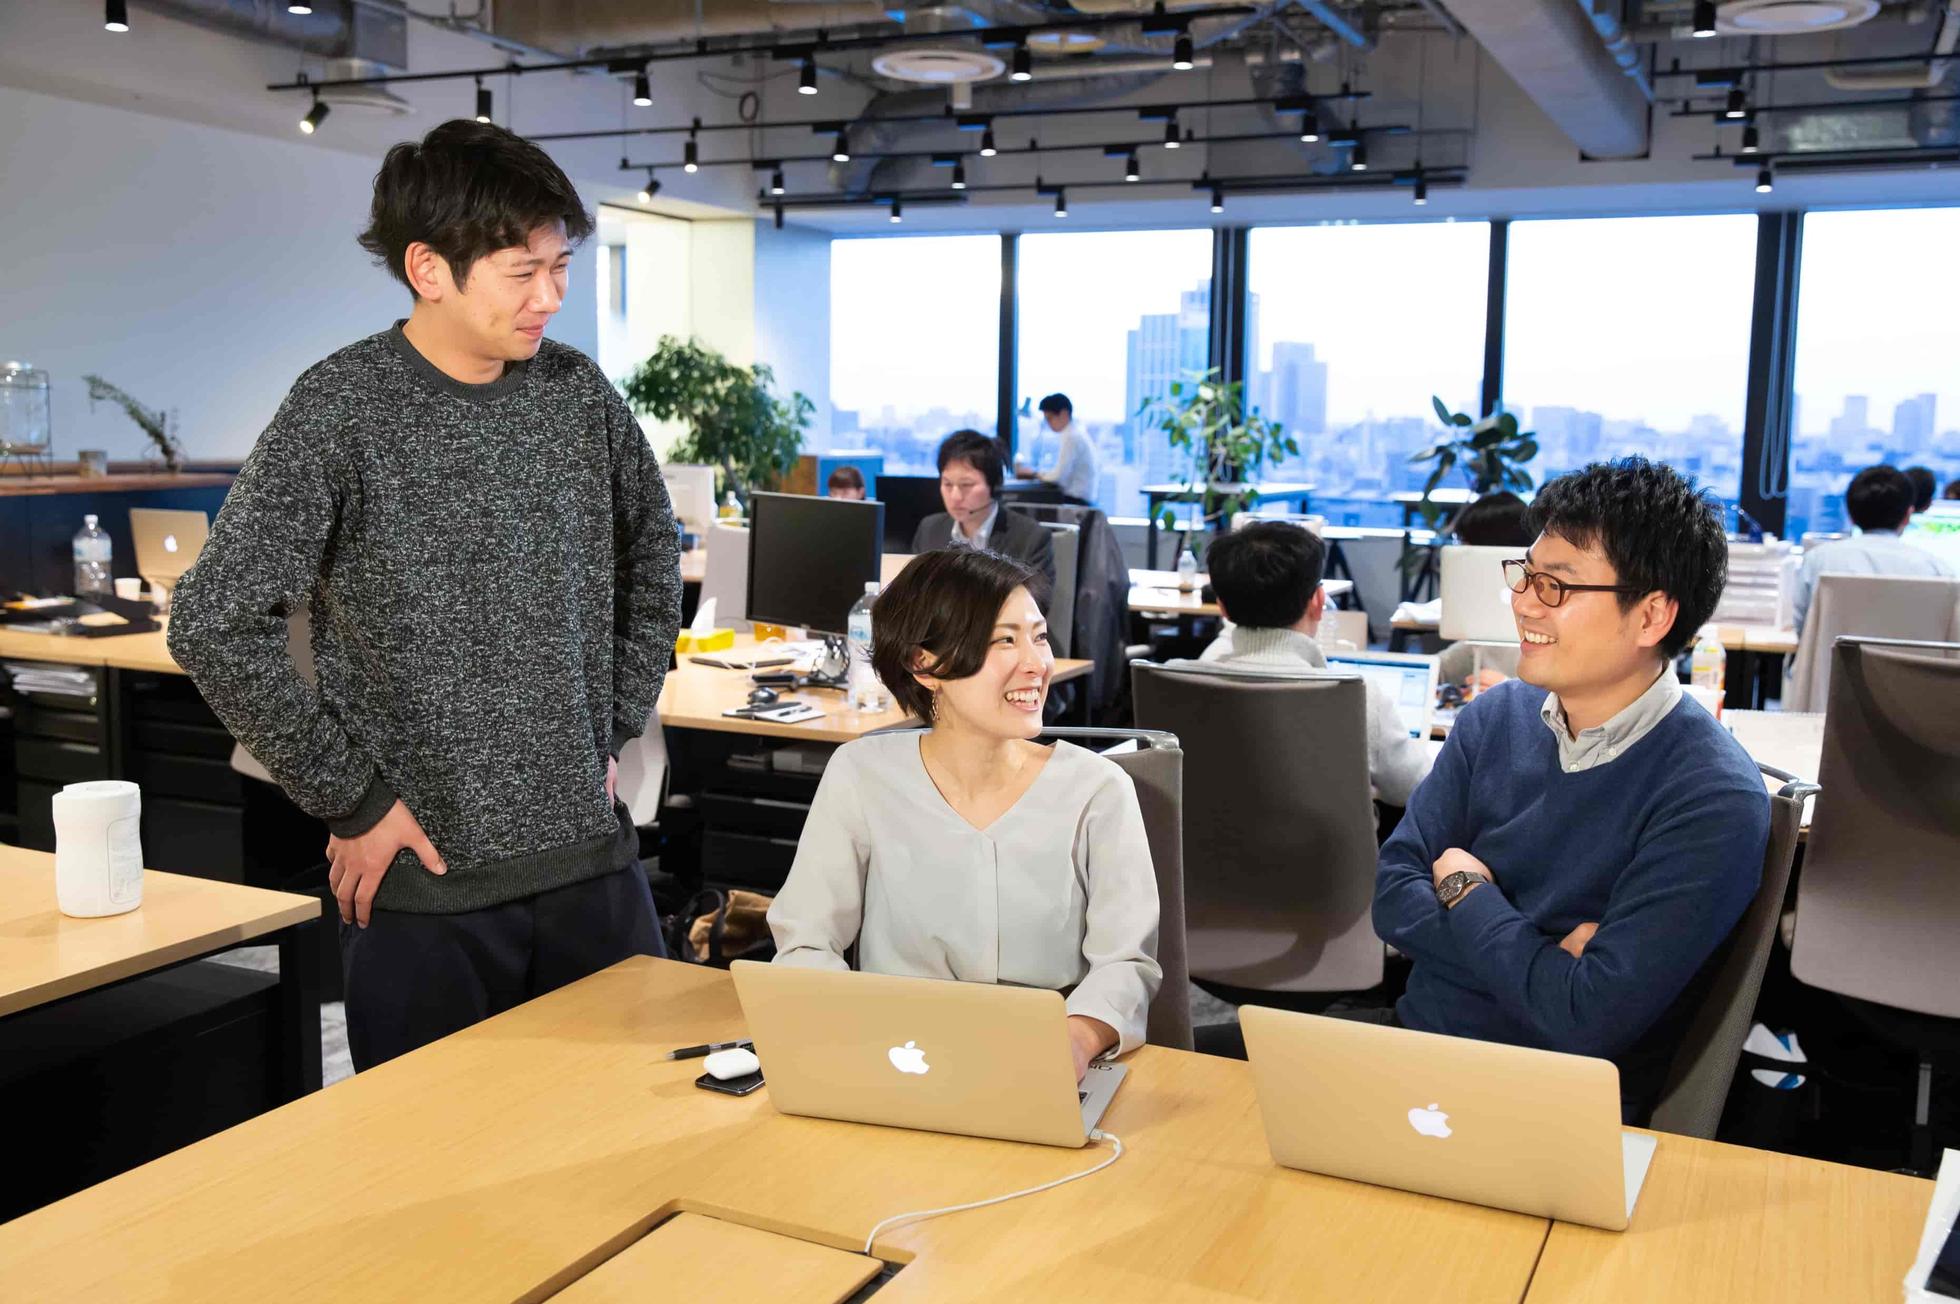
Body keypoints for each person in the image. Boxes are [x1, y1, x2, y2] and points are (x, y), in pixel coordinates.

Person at [168, 121, 680, 1071]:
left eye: (560, 268)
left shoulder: (579, 395)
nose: (550, 297)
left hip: (593, 871)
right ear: (428, 268)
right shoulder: (341, 408)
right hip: (426, 890)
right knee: (437, 1158)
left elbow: (653, 558)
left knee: (637, 1129)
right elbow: (213, 622)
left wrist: (613, 723)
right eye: (522, 273)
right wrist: (352, 801)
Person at [1371, 457, 1770, 1123]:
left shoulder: (1712, 795)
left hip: (1559, 1112)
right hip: (1414, 1064)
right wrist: (1543, 958)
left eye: (1556, 585)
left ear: (1651, 616)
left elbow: (1586, 1018)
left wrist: (1467, 893)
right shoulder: (1493, 720)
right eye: (1527, 576)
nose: (1525, 602)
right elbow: (1390, 897)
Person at [767, 549, 1161, 1078]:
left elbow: (1126, 964)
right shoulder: (861, 773)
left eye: (1039, 637)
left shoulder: (1098, 789)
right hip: (897, 1056)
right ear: (924, 664)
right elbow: (806, 940)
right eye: (1004, 640)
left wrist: (1075, 1039)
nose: (1036, 664)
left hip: (1044, 1059)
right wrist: (855, 1033)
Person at [1200, 522, 1434, 807]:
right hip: (1331, 839)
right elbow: (1420, 791)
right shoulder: (1357, 696)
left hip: (1199, 837)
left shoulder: (1176, 683)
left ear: (1222, 607)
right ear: (1319, 602)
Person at [1793, 464, 1954, 636]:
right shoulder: (1938, 570)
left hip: (1830, 654)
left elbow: (1802, 630)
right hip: (1908, 655)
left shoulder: (1818, 560)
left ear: (1850, 516)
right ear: (1908, 516)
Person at [912, 428, 1057, 587]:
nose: (955, 496)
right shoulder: (929, 529)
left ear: (995, 486)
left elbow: (1036, 600)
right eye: (947, 484)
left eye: (966, 485)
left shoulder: (1031, 538)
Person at [1437, 491, 1531, 692]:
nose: (1460, 553)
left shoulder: (1538, 618)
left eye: (1465, 544)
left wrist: (1508, 688)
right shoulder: (1485, 614)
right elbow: (1445, 667)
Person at [1014, 392, 1099, 506]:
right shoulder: (1075, 433)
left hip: (1076, 501)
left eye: (1050, 418)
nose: (1049, 424)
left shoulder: (1071, 437)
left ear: (1064, 414)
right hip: (1079, 499)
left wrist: (1034, 474)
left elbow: (1058, 476)